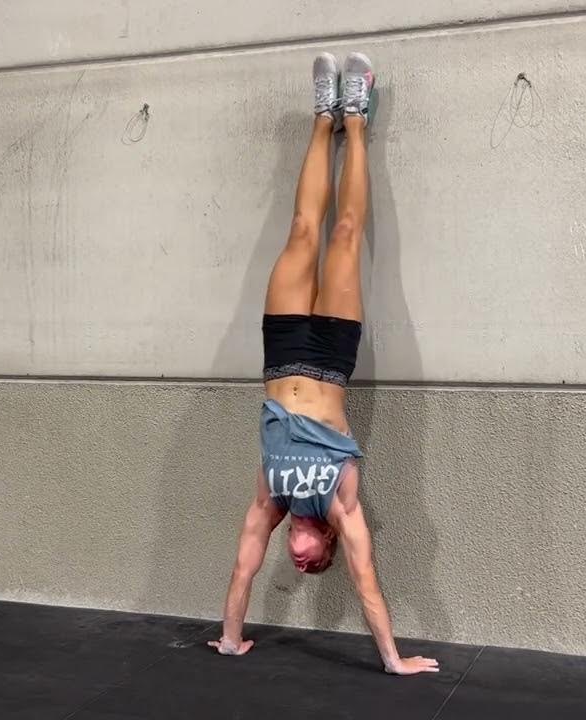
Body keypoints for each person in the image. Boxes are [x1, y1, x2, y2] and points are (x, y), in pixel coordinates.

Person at [207, 51, 439, 676]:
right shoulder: (343, 505)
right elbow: (367, 583)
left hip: (281, 353)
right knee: (346, 233)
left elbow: (243, 568)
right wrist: (392, 660)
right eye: (316, 566)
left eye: (299, 565)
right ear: (330, 542)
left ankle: (321, 116)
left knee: (304, 231)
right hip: (333, 357)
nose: (303, 565)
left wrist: (230, 639)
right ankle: (353, 117)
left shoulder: (270, 501)